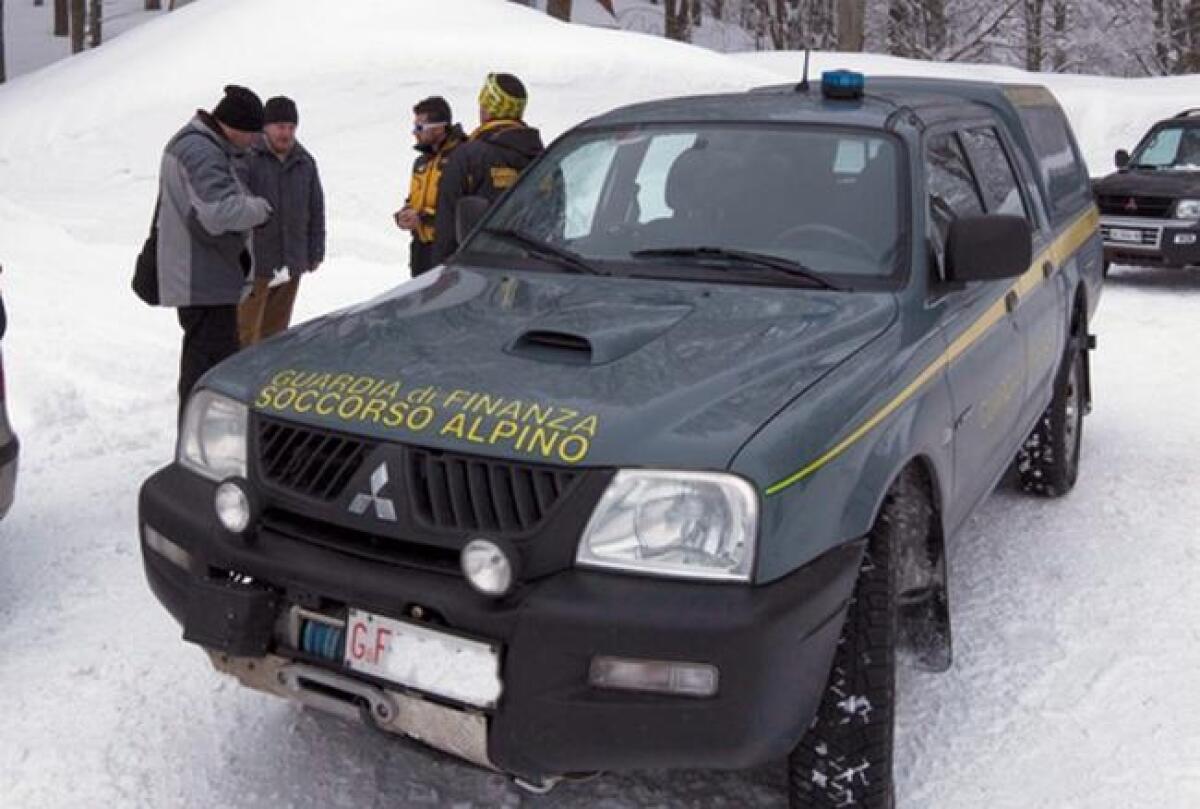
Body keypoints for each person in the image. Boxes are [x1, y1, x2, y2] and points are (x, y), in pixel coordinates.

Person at [155, 85, 272, 414]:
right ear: (233, 126)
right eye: (251, 133)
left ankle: (200, 437)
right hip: (201, 280)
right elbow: (219, 212)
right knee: (208, 372)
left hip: (206, 276)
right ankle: (200, 443)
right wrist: (260, 209)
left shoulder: (205, 144)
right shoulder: (201, 150)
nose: (254, 142)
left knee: (206, 367)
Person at [238, 96, 326, 347]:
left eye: (291, 127)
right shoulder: (248, 158)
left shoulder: (305, 162)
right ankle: (241, 381)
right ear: (265, 127)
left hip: (291, 261)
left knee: (277, 332)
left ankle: (267, 380)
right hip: (255, 265)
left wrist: (315, 249)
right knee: (245, 332)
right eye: (280, 126)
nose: (286, 133)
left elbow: (315, 209)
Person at [430, 73, 545, 266]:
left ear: (487, 109)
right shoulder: (547, 158)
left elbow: (447, 225)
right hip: (540, 272)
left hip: (479, 275)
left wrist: (440, 275)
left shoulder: (467, 156)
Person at [394, 96, 465, 276]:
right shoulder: (421, 162)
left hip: (449, 252)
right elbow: (414, 200)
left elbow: (461, 208)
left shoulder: (462, 157)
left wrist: (423, 218)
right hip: (421, 251)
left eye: (419, 127)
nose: (414, 133)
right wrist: (404, 214)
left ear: (440, 128)